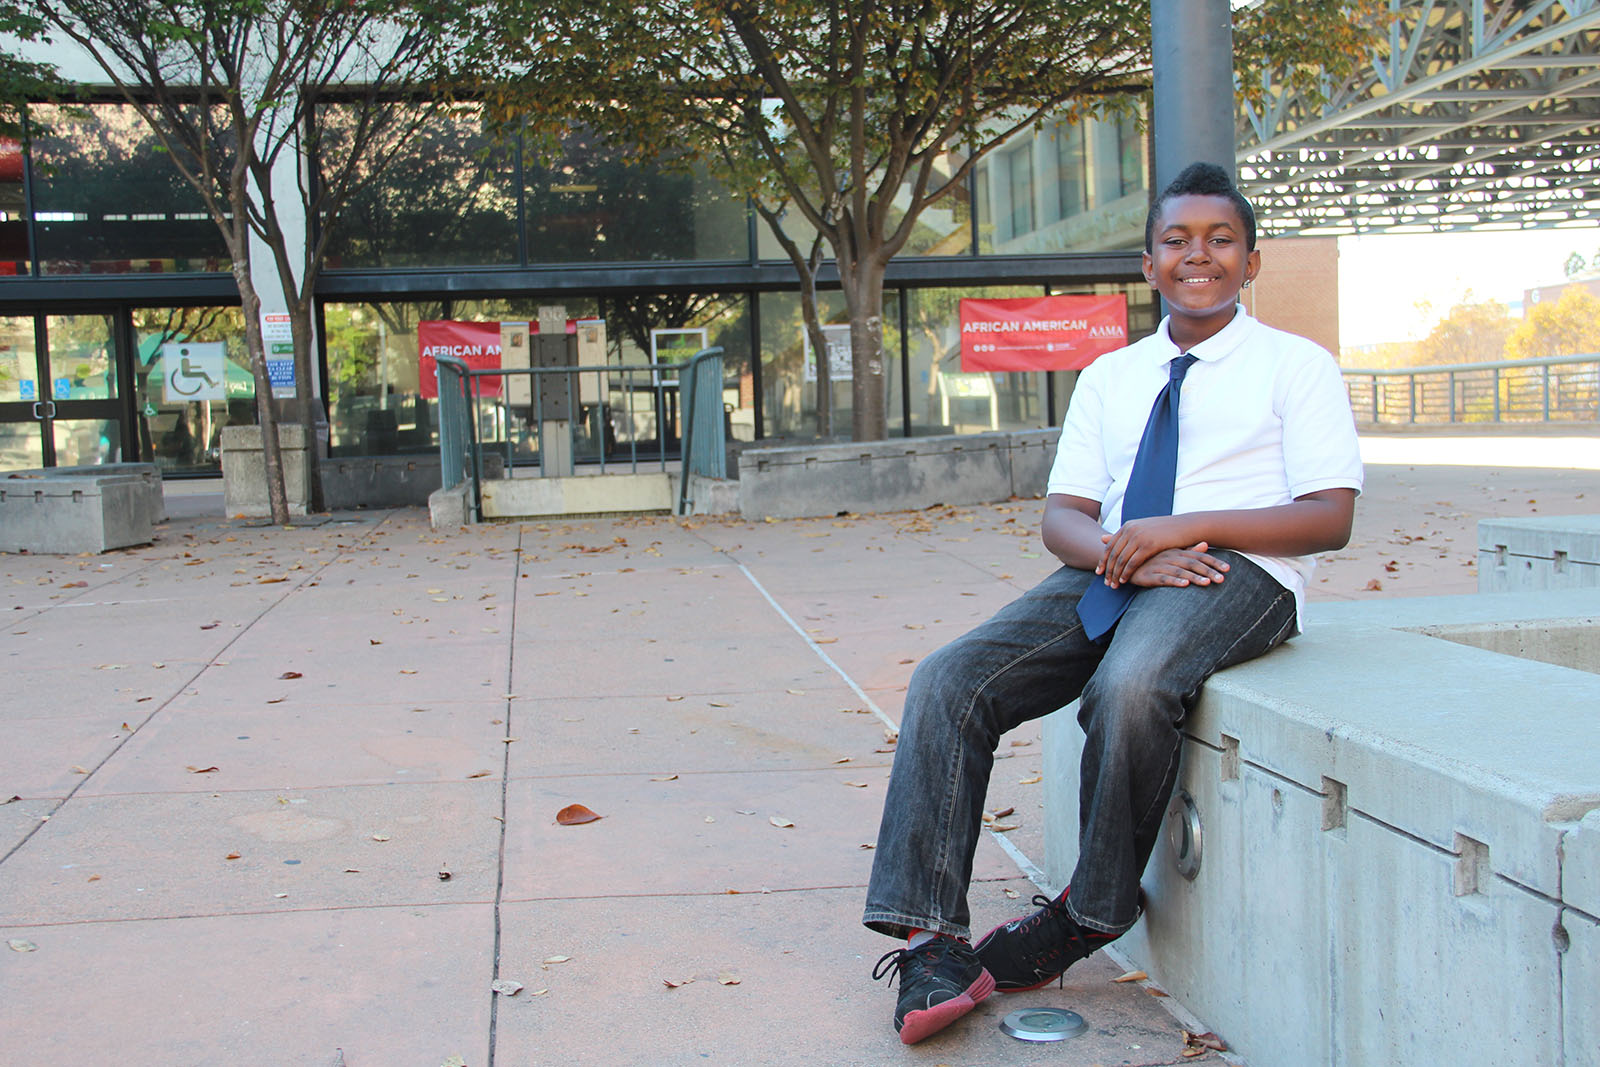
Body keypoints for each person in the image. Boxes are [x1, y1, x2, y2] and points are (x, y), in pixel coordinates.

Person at [863, 161, 1364, 1045]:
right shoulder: (1112, 374)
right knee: (950, 679)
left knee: (1130, 684)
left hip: (1238, 570)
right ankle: (933, 939)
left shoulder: (1297, 366)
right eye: (1177, 240)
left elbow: (1329, 517)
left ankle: (1089, 911)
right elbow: (1062, 517)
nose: (1198, 254)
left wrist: (1182, 528)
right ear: (1148, 264)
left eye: (1221, 240)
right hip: (1117, 562)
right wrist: (1126, 554)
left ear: (1251, 262)